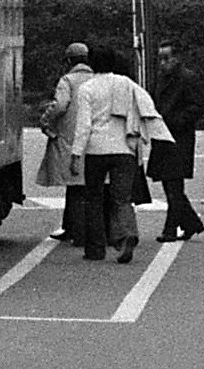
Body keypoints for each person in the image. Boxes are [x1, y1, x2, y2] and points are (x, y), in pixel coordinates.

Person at [70, 43, 172, 264]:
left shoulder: (87, 89)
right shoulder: (126, 84)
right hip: (124, 149)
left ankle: (95, 249)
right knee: (121, 199)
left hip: (96, 150)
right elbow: (146, 106)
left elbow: (84, 125)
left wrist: (76, 153)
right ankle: (127, 234)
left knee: (94, 198)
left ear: (91, 64)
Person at [147, 40, 204, 243]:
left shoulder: (187, 78)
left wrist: (176, 121)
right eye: (160, 59)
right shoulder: (162, 78)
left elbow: (197, 106)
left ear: (176, 58)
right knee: (170, 184)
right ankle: (191, 223)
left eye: (167, 58)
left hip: (178, 137)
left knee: (173, 186)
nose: (163, 63)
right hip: (164, 135)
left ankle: (170, 229)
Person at [37, 42, 93, 245]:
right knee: (84, 186)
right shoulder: (96, 79)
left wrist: (46, 120)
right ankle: (70, 227)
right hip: (91, 139)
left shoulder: (67, 80)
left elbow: (60, 106)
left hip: (69, 138)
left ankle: (76, 232)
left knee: (75, 187)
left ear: (69, 61)